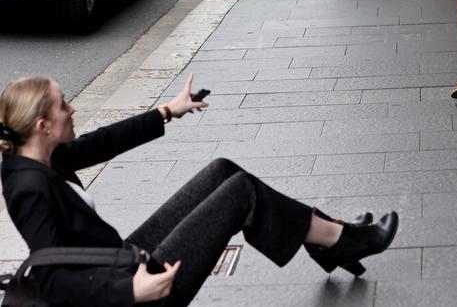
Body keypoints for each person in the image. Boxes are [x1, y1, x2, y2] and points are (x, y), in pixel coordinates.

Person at [0, 74, 399, 307]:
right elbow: (50, 275)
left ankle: (329, 241)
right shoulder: (27, 186)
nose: (73, 110)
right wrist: (130, 290)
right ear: (42, 126)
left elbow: (102, 142)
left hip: (120, 262)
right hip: (135, 293)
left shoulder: (44, 156)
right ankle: (337, 240)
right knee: (240, 191)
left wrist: (167, 111)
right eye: (64, 106)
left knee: (222, 171)